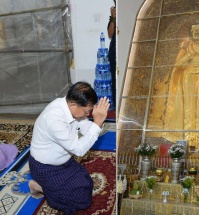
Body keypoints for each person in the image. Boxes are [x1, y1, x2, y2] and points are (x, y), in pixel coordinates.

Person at [28, 81, 110, 215]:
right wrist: (96, 123)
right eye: (87, 111)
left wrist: (98, 122)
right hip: (45, 167)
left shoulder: (71, 108)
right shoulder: (54, 118)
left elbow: (89, 130)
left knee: (86, 184)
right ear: (73, 104)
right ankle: (38, 186)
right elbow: (79, 149)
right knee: (77, 200)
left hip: (64, 161)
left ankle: (48, 187)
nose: (88, 115)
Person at [165, 23, 199, 148]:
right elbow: (177, 65)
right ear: (190, 33)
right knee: (188, 107)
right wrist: (190, 54)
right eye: (194, 30)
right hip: (187, 75)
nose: (197, 32)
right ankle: (187, 139)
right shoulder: (186, 48)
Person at [107, 0, 116, 109]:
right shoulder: (114, 16)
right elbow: (110, 34)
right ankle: (116, 105)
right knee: (114, 80)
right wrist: (113, 17)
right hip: (115, 53)